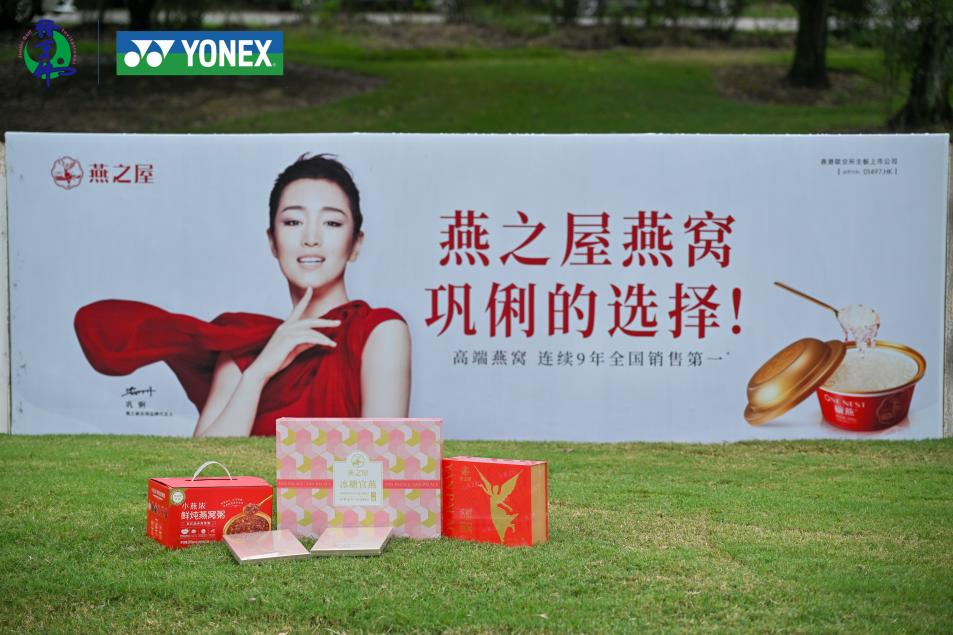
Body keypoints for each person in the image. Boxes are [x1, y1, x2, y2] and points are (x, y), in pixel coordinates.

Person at [74, 154, 411, 436]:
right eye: (293, 222)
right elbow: (205, 474)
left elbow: (384, 464)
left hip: (343, 502)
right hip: (251, 502)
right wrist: (258, 373)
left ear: (356, 244)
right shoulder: (246, 346)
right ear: (272, 242)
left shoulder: (379, 332)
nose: (311, 238)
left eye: (332, 223)